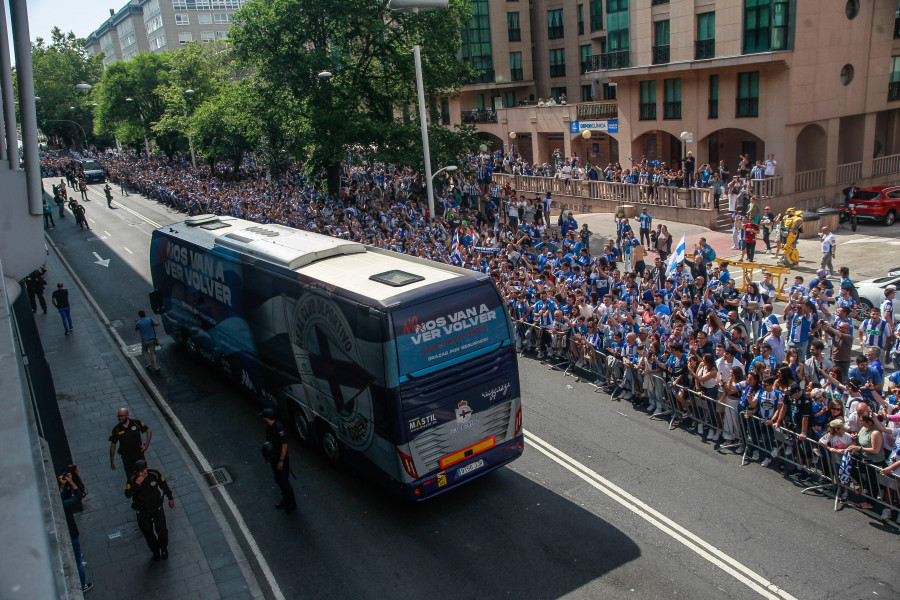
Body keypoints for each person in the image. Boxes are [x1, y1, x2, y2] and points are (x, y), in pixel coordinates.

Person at [124, 460, 174, 561]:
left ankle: (163, 548)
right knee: (148, 532)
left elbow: (163, 485)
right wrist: (137, 485)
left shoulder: (154, 474)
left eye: (142, 471)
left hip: (156, 507)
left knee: (162, 530)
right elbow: (127, 494)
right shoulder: (133, 479)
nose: (140, 474)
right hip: (142, 510)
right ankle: (155, 550)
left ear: (146, 468)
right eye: (138, 472)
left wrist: (170, 497)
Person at [59, 468, 93, 593]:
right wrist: (72, 483)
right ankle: (82, 585)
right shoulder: (65, 505)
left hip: (66, 534)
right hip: (71, 534)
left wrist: (62, 486)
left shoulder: (60, 503)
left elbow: (60, 497)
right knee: (77, 561)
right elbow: (78, 496)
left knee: (76, 555)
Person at [260, 408, 296, 513]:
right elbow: (268, 443)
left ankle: (292, 501)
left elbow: (284, 445)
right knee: (278, 479)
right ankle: (285, 498)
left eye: (263, 416)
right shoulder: (268, 428)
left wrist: (281, 460)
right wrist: (267, 457)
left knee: (284, 481)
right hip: (273, 458)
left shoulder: (279, 428)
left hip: (281, 459)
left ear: (267, 417)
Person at [109, 408, 152, 478]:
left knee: (144, 473)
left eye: (122, 416)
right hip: (127, 457)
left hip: (139, 454)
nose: (120, 418)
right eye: (119, 416)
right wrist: (112, 461)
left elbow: (148, 431)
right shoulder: (116, 429)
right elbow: (113, 445)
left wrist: (146, 445)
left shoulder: (136, 423)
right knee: (131, 476)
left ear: (127, 415)